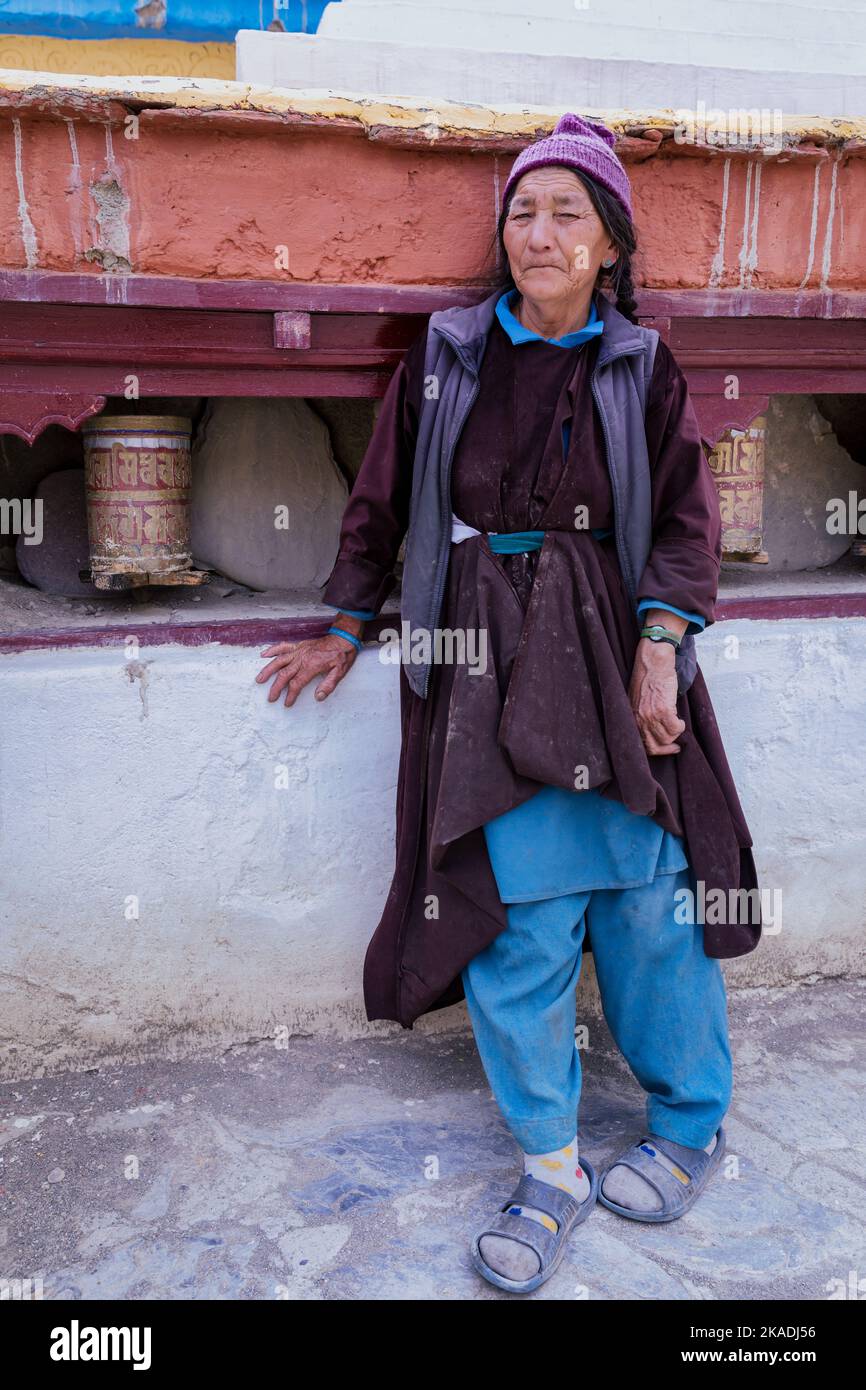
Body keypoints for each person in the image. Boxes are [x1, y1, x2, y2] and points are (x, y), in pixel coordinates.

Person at [256, 112, 762, 1294]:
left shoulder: (640, 363)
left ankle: (686, 1125)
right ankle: (550, 1166)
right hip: (483, 648)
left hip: (608, 646)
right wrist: (346, 624)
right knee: (516, 917)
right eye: (521, 211)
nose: (537, 233)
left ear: (607, 245)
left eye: (564, 214)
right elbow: (381, 499)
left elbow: (687, 524)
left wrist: (659, 646)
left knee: (650, 900)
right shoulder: (444, 353)